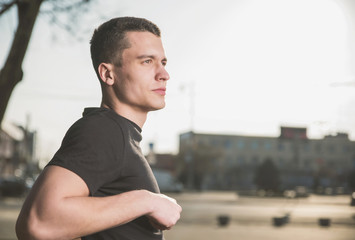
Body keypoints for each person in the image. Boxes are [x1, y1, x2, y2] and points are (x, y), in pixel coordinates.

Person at [16, 16, 182, 240]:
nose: (164, 74)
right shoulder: (104, 130)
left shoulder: (121, 134)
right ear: (108, 74)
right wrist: (146, 201)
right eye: (147, 61)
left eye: (163, 62)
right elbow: (38, 222)